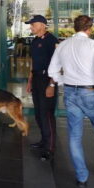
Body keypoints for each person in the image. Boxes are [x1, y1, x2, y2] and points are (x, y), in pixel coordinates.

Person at [48, 15, 94, 188]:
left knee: (75, 136)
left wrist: (64, 81)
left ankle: (81, 177)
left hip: (70, 93)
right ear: (89, 29)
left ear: (75, 28)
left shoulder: (63, 45)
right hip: (91, 94)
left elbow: (52, 71)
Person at [25, 15, 58, 161]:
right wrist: (30, 80)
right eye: (30, 25)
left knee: (47, 115)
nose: (30, 27)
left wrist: (52, 84)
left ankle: (49, 148)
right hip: (37, 79)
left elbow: (59, 65)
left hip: (47, 80)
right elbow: (33, 61)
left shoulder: (52, 41)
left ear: (42, 25)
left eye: (33, 24)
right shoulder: (35, 41)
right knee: (38, 113)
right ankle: (44, 141)